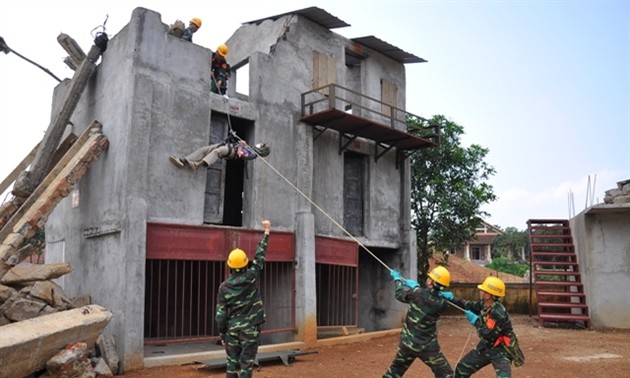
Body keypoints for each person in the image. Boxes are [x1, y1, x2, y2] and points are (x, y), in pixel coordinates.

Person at [215, 219, 271, 378]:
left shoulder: (224, 287)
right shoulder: (252, 277)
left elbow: (220, 315)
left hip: (232, 329)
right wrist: (266, 232)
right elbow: (260, 256)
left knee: (231, 365)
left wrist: (222, 334)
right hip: (250, 329)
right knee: (246, 366)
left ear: (230, 266)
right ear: (246, 264)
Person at [438, 276, 517, 378]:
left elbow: (487, 333)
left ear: (488, 295)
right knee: (462, 369)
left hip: (501, 349)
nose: (480, 291)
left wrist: (476, 321)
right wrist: (453, 299)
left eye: (482, 290)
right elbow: (469, 305)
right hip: (486, 346)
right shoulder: (485, 305)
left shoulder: (498, 313)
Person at [383, 266, 454, 378]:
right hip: (428, 347)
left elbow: (399, 293)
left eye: (429, 277)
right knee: (446, 374)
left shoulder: (416, 293)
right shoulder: (443, 303)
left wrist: (397, 279)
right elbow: (431, 297)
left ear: (431, 282)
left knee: (394, 373)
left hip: (408, 343)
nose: (428, 279)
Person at [168, 131, 270, 170]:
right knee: (205, 149)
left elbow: (242, 154)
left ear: (262, 150)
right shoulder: (251, 148)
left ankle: (197, 164)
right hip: (228, 145)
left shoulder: (253, 154)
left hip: (231, 151)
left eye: (262, 145)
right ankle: (183, 161)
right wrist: (241, 142)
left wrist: (240, 147)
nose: (260, 144)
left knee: (217, 152)